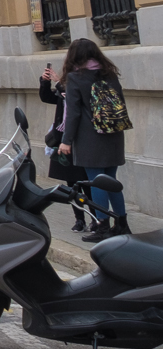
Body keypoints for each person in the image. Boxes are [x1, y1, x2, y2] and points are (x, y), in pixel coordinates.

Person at [57, 38, 130, 241]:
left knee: (97, 183)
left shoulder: (75, 78)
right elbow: (120, 103)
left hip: (90, 138)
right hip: (114, 135)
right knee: (112, 182)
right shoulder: (109, 74)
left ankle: (102, 228)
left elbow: (72, 114)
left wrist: (66, 141)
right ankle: (122, 224)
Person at [40, 59, 90, 233]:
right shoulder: (63, 90)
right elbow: (46, 97)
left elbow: (74, 101)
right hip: (64, 141)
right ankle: (79, 219)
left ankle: (97, 220)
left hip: (80, 141)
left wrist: (60, 83)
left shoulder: (74, 89)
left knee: (88, 184)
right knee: (72, 184)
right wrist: (45, 83)